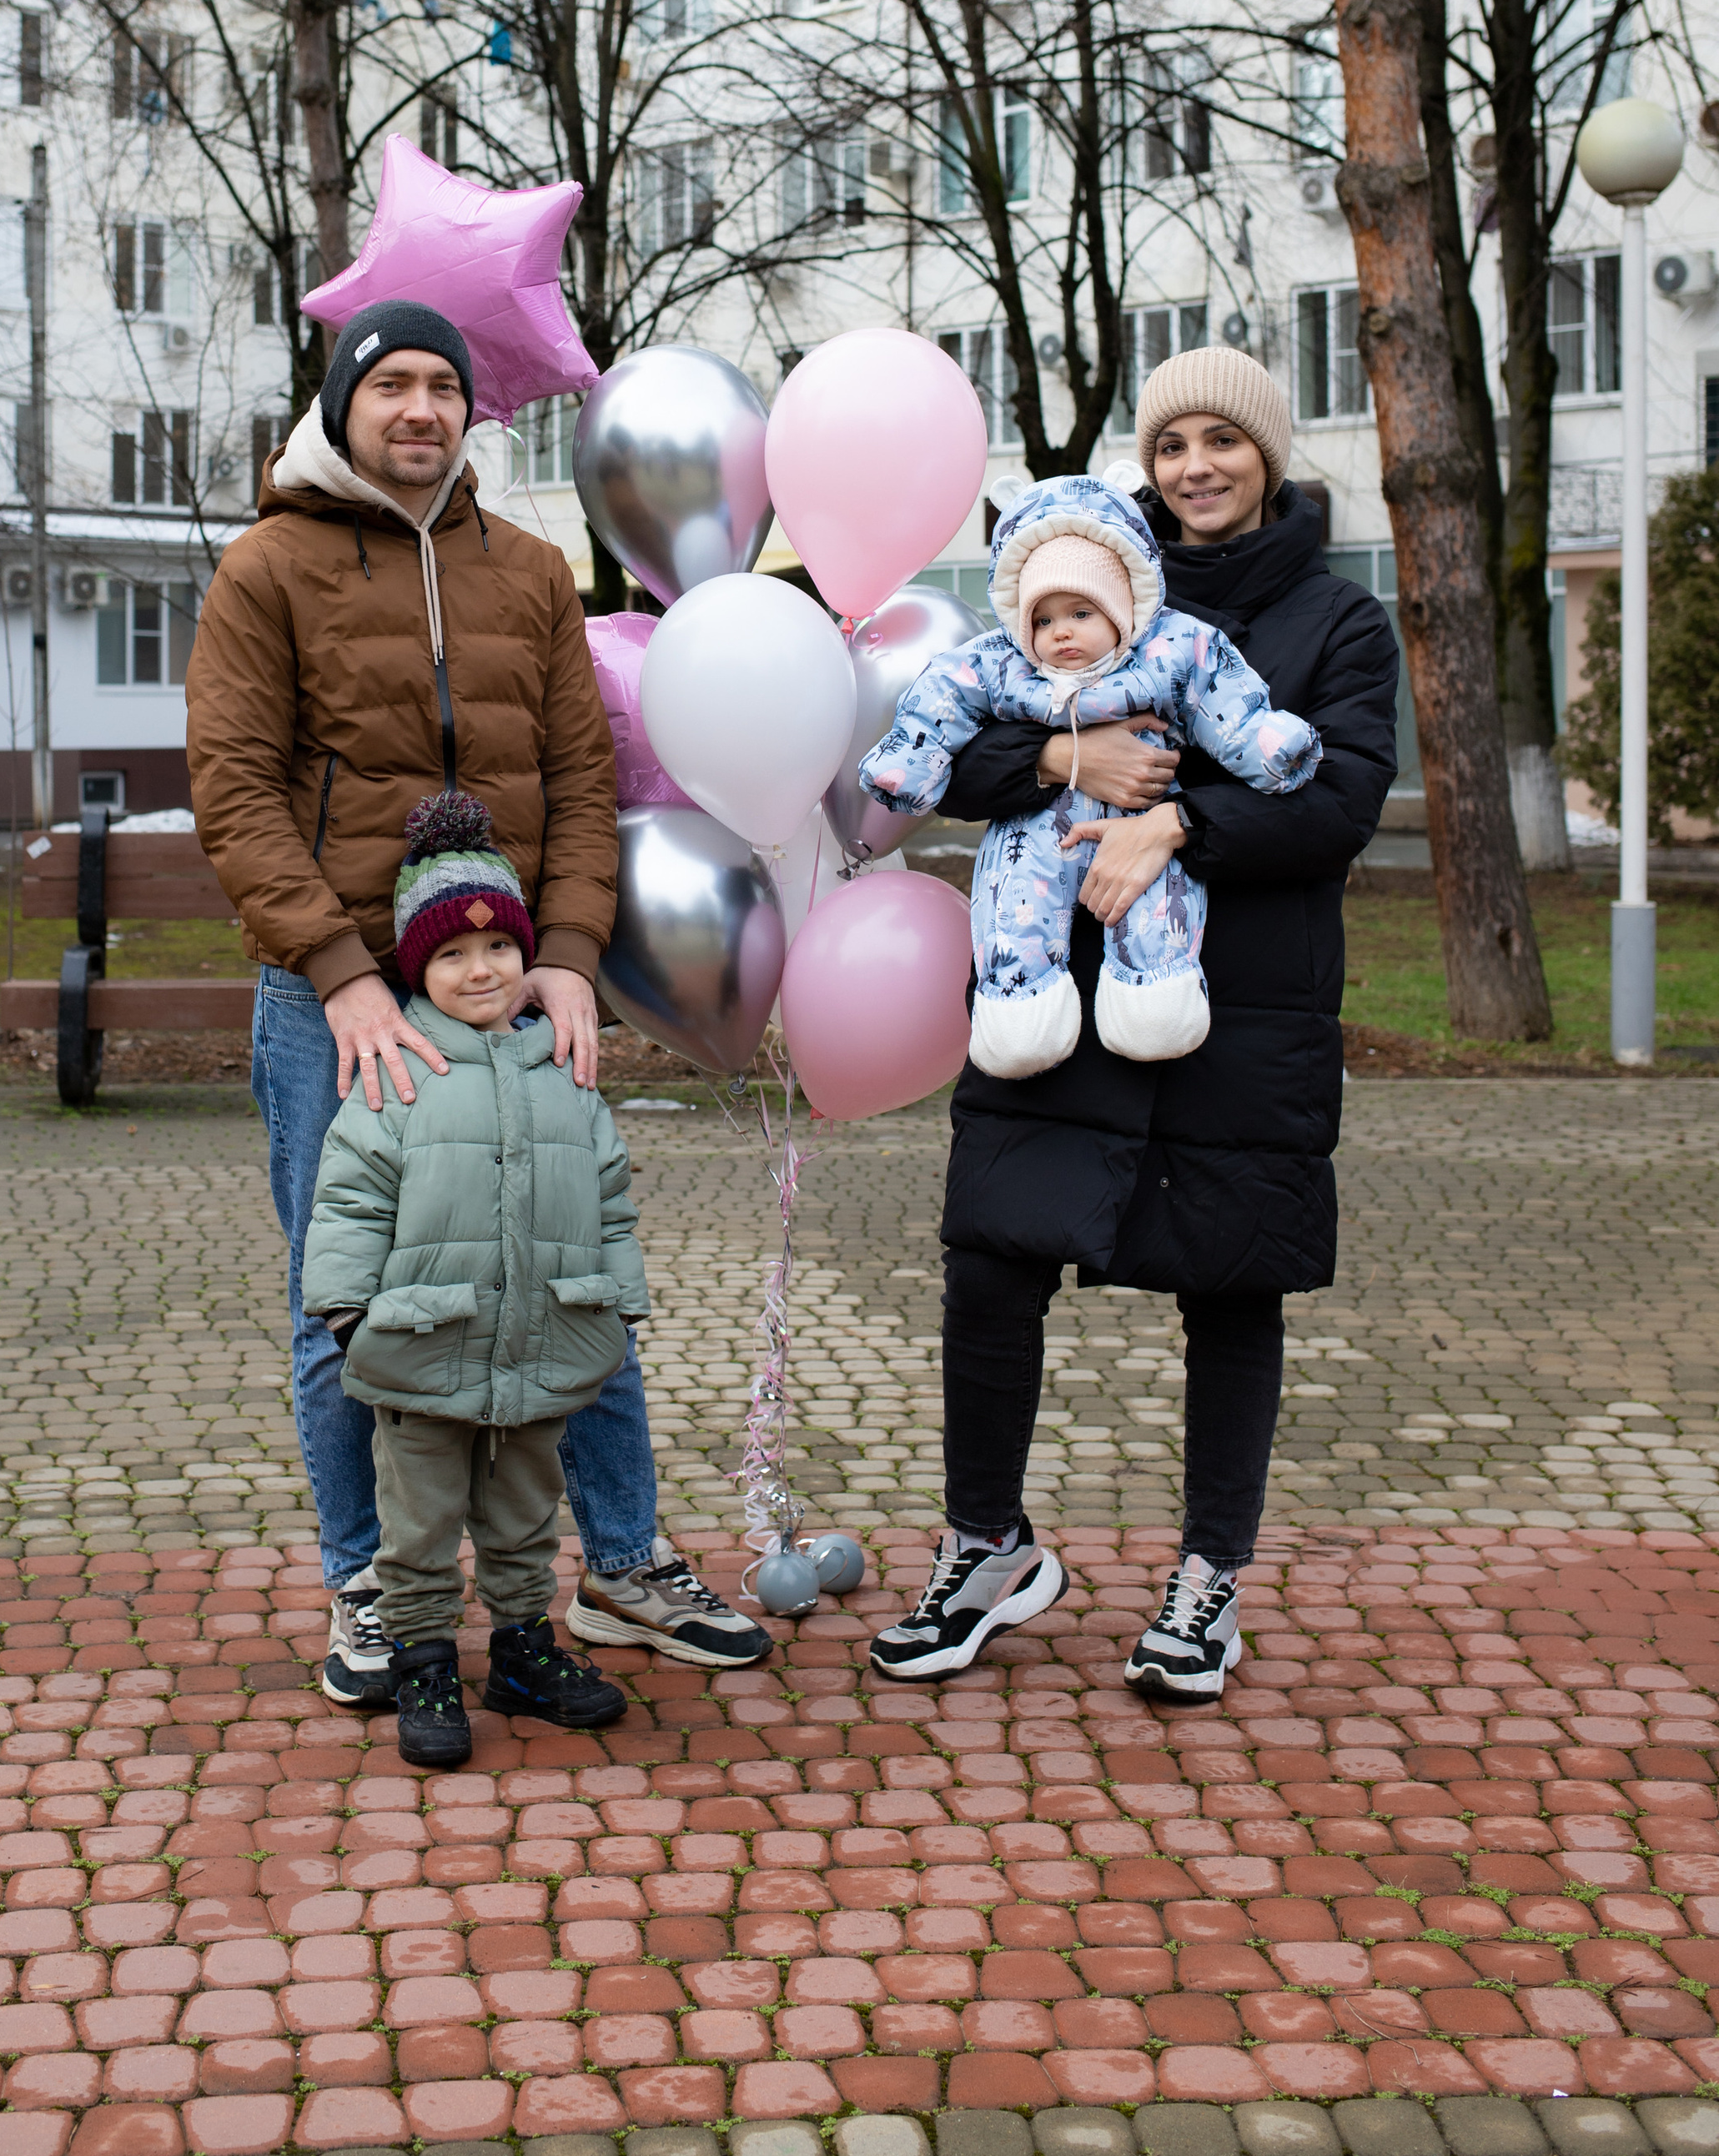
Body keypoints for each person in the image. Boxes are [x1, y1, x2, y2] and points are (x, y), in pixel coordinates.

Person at [188, 298, 771, 1707]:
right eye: (390, 385)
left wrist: (570, 951)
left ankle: (622, 1564)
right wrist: (338, 973)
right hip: (341, 1004)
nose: (420, 411)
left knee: (573, 1277)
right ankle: (368, 1593)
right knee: (350, 1305)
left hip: (511, 991)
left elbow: (583, 779)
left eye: (444, 388)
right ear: (343, 406)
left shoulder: (527, 570)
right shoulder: (269, 567)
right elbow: (234, 786)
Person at [868, 347, 1400, 1704]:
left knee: (1232, 1290)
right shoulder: (1069, 576)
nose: (1196, 468)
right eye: (1172, 447)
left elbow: (1335, 801)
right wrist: (1064, 758)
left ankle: (1206, 1579)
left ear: (1269, 458)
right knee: (990, 1262)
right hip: (1058, 996)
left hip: (1243, 1011)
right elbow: (965, 745)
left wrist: (1176, 820)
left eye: (1223, 441)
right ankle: (988, 1544)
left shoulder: (1340, 624)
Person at [304, 792, 647, 1769]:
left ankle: (521, 1651)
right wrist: (347, 1318)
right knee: (417, 1526)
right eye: (451, 954)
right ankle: (420, 1660)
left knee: (522, 1515)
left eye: (497, 949)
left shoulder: (563, 1076)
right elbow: (351, 1202)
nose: (479, 969)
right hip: (419, 1346)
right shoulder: (397, 1074)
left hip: (543, 1340)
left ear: (525, 957)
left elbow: (610, 1197)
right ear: (419, 968)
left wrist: (620, 1304)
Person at [859, 473, 1322, 1078]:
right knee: (1015, 906)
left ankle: (1154, 996)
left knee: (1156, 905)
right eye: (1045, 620)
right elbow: (943, 697)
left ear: (1122, 605)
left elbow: (1224, 697)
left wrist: (1269, 746)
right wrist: (909, 762)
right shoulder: (1002, 661)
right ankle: (1019, 1009)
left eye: (1081, 611)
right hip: (1034, 830)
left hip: (1142, 825)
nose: (1063, 632)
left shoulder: (1170, 647)